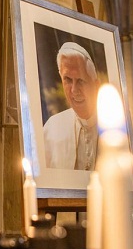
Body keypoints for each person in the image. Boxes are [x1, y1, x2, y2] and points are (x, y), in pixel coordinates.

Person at [43, 42, 101, 170]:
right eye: (68, 80)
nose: (74, 90)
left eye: (80, 80)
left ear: (96, 86)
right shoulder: (51, 128)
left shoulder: (115, 129)